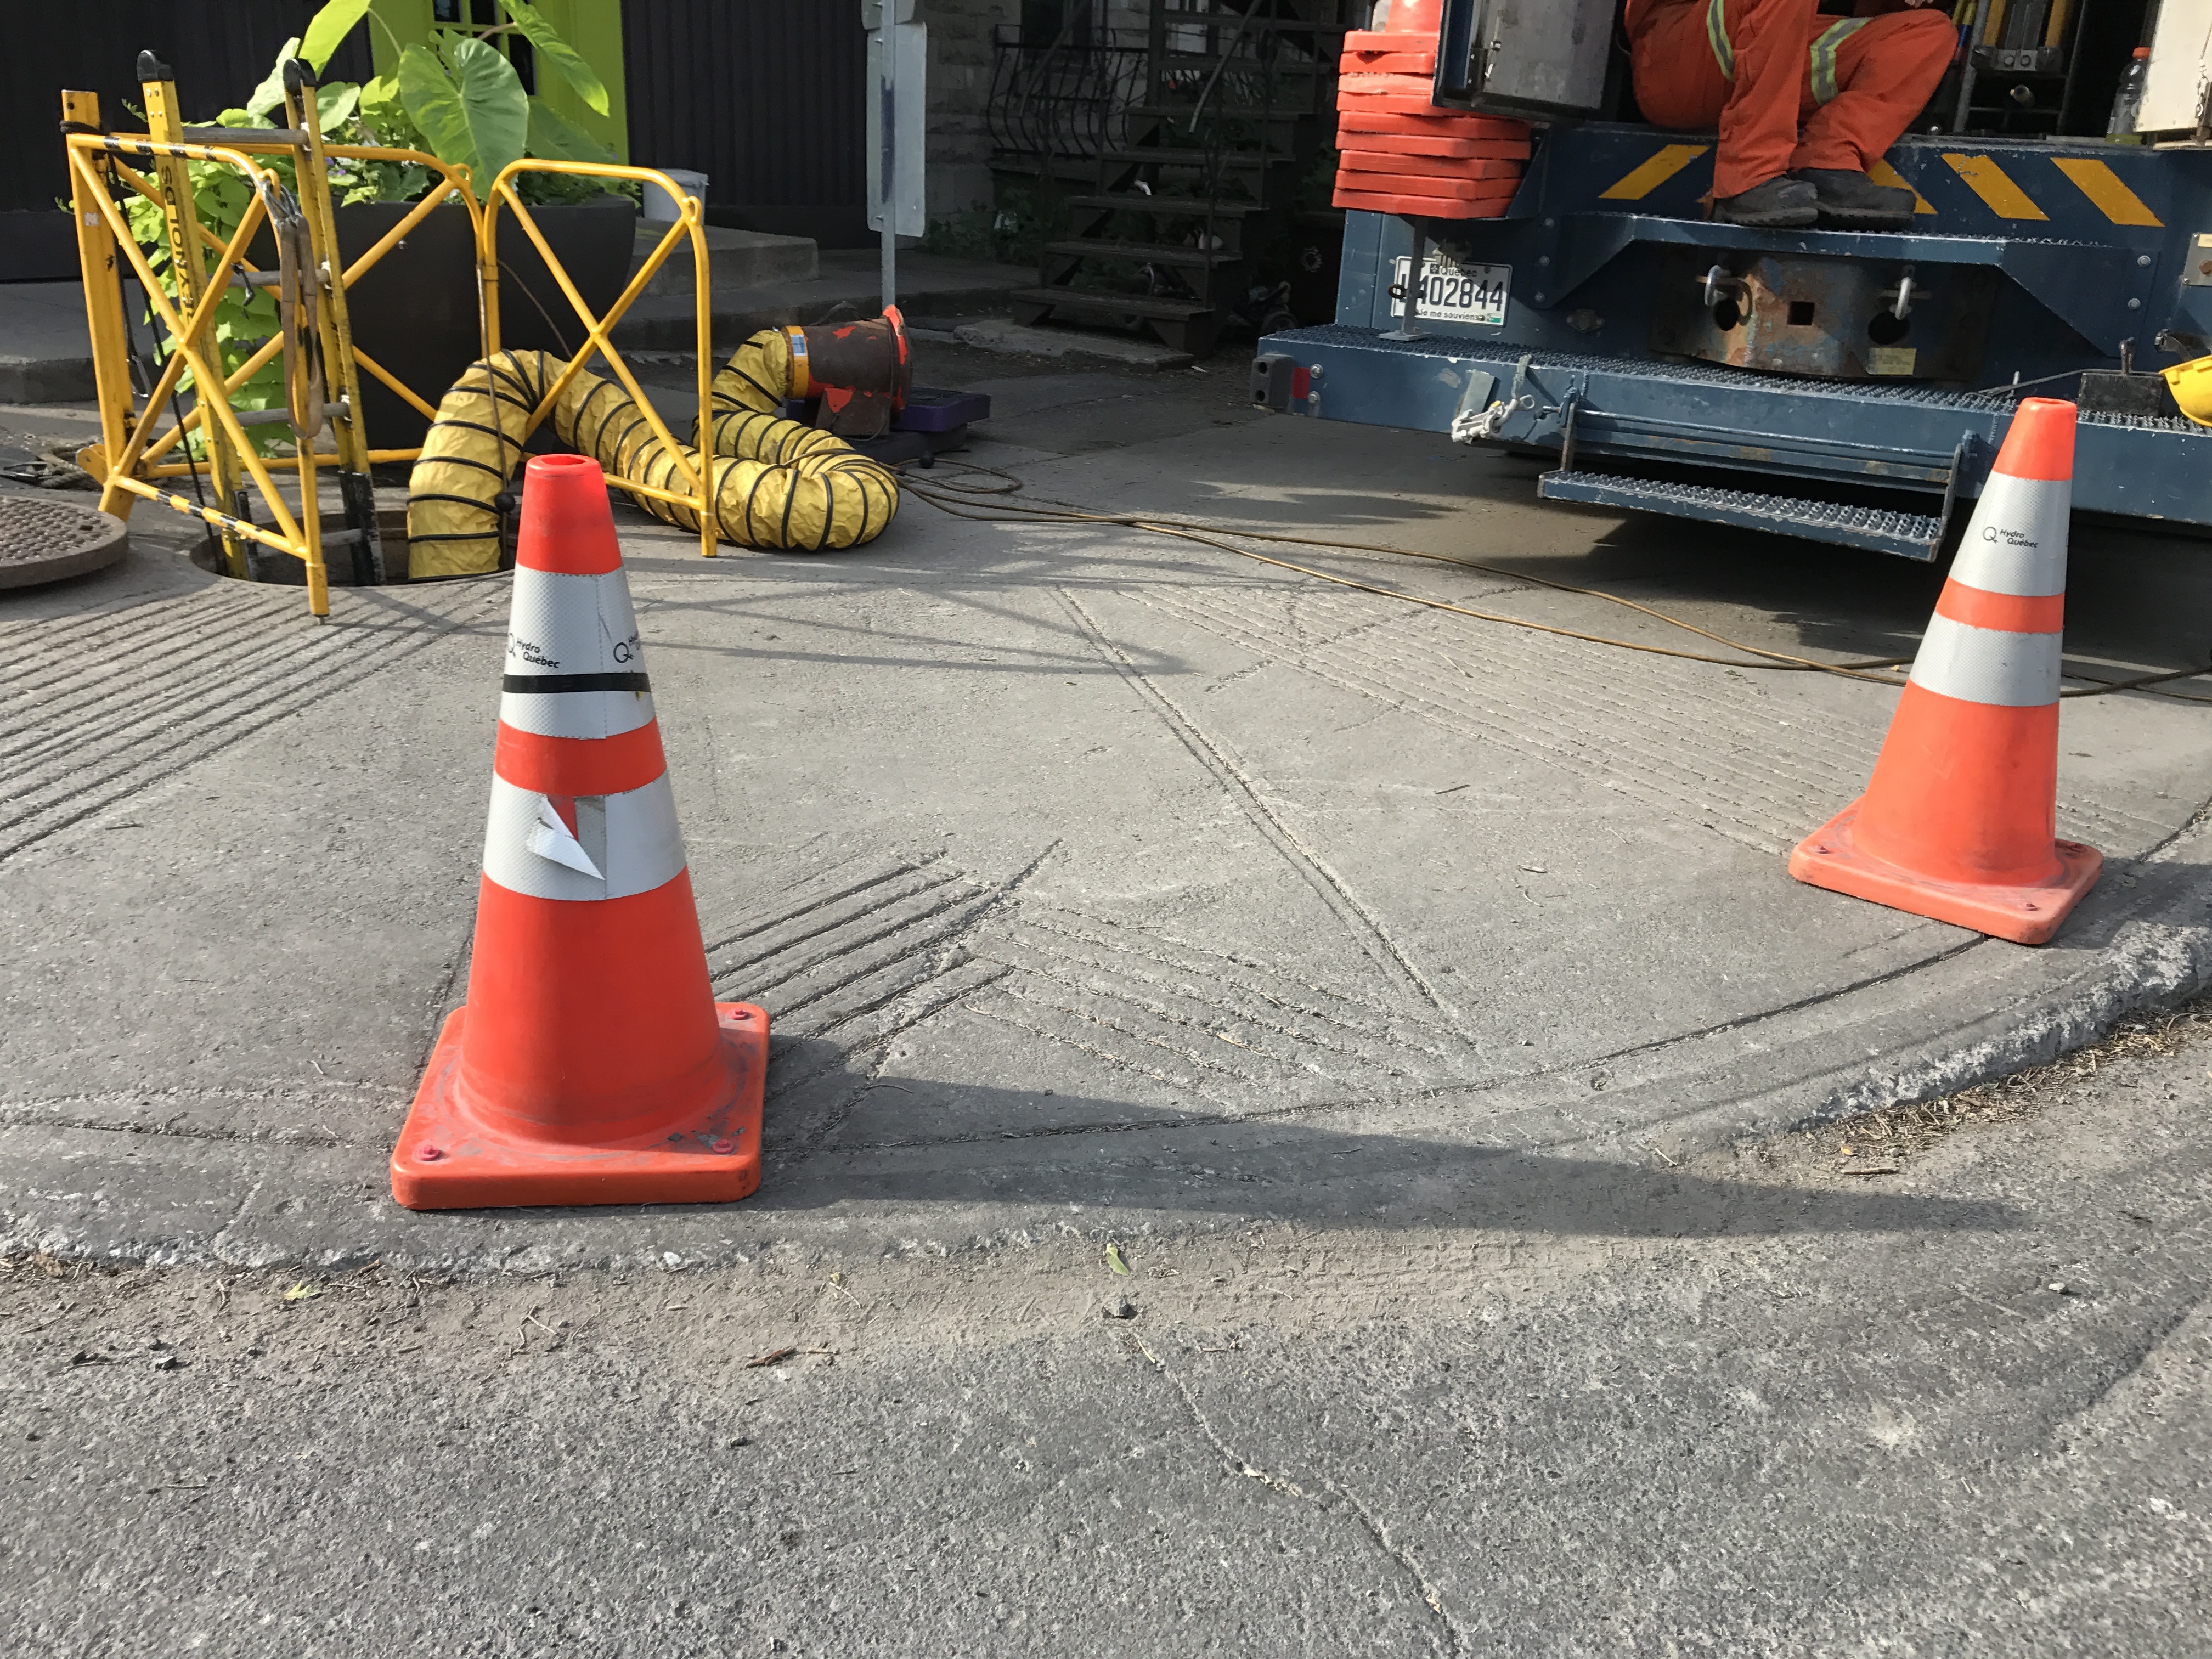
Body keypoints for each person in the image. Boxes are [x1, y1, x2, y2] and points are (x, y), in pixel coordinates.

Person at [1626, 0, 1957, 229]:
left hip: (1767, 46)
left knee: (1928, 32)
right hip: (1677, 58)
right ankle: (1748, 175)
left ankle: (1829, 163)